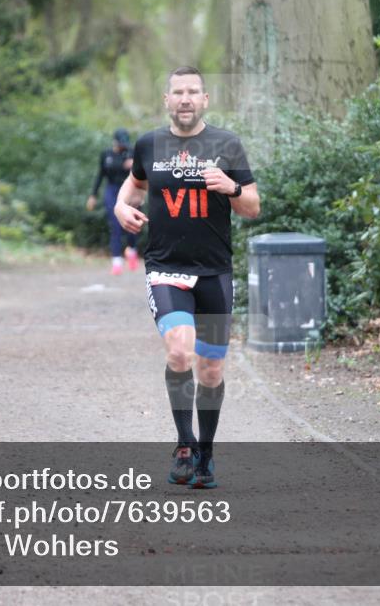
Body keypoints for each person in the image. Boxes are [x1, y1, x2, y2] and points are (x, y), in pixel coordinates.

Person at [114, 66, 260, 488]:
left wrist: (230, 188)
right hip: (166, 269)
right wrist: (121, 208)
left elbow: (252, 206)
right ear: (167, 100)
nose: (185, 99)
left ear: (205, 99)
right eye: (177, 92)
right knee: (179, 352)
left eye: (192, 92)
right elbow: (132, 186)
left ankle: (207, 456)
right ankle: (184, 444)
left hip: (214, 273)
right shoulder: (149, 144)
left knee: (211, 369)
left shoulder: (227, 145)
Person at [87, 128, 139, 274]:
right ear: (115, 142)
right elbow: (100, 175)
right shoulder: (106, 155)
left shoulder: (132, 153)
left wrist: (135, 165)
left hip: (130, 190)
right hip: (112, 190)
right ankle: (117, 261)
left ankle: (132, 250)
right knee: (115, 225)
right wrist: (93, 195)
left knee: (131, 225)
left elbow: (142, 173)